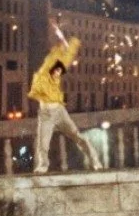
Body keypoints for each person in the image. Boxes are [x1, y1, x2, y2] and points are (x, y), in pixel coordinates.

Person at [28, 23, 103, 174]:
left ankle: (95, 160)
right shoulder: (50, 59)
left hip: (57, 111)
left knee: (76, 136)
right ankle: (42, 166)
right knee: (43, 143)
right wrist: (59, 33)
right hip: (45, 113)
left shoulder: (57, 65)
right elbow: (64, 47)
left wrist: (64, 38)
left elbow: (68, 54)